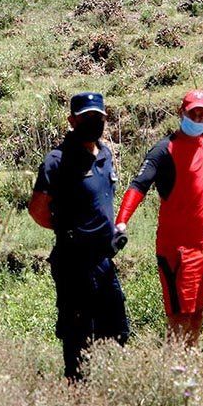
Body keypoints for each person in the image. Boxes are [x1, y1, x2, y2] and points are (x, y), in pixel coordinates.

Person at [114, 40, 203, 346]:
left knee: (199, 312)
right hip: (177, 251)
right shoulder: (165, 150)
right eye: (193, 113)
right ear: (181, 112)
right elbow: (139, 185)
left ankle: (189, 367)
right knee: (178, 315)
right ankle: (175, 374)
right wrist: (122, 221)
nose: (198, 119)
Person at [28, 93, 130, 381]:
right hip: (73, 260)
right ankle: (76, 390)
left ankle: (107, 384)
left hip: (104, 259)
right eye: (86, 117)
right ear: (72, 120)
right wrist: (69, 230)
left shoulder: (106, 154)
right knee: (77, 329)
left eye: (98, 117)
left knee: (116, 328)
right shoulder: (57, 160)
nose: (93, 122)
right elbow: (37, 210)